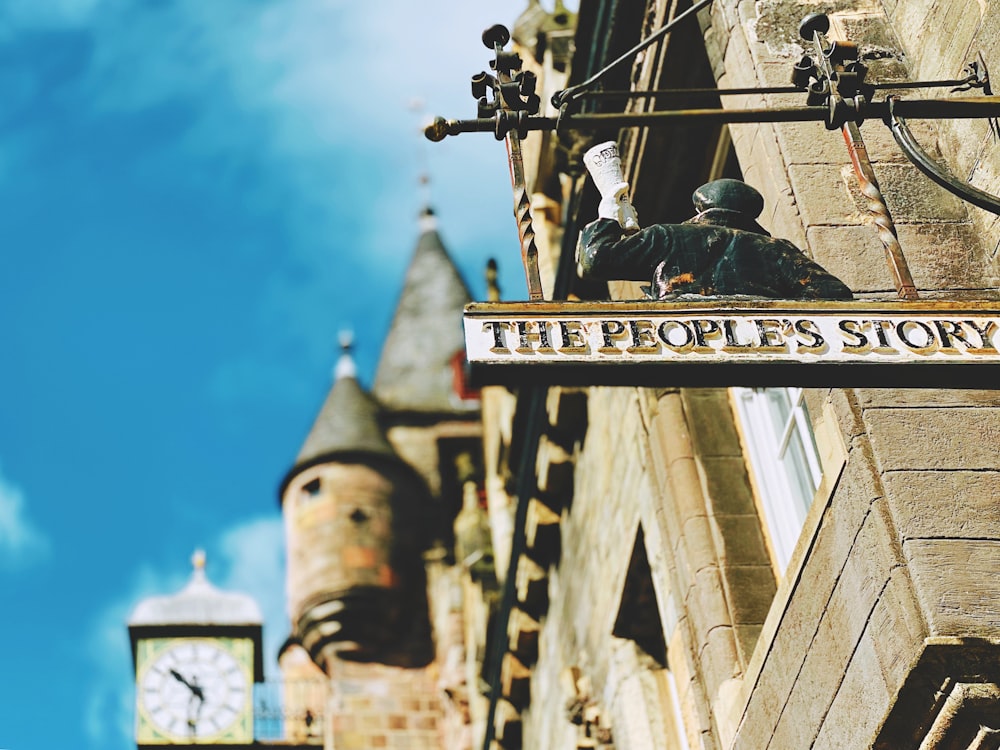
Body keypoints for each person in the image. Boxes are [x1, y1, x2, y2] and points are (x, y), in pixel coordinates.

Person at [576, 178, 854, 300]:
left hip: (682, 331)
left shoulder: (669, 235)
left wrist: (608, 215)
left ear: (701, 209)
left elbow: (596, 259)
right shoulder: (776, 250)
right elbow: (834, 293)